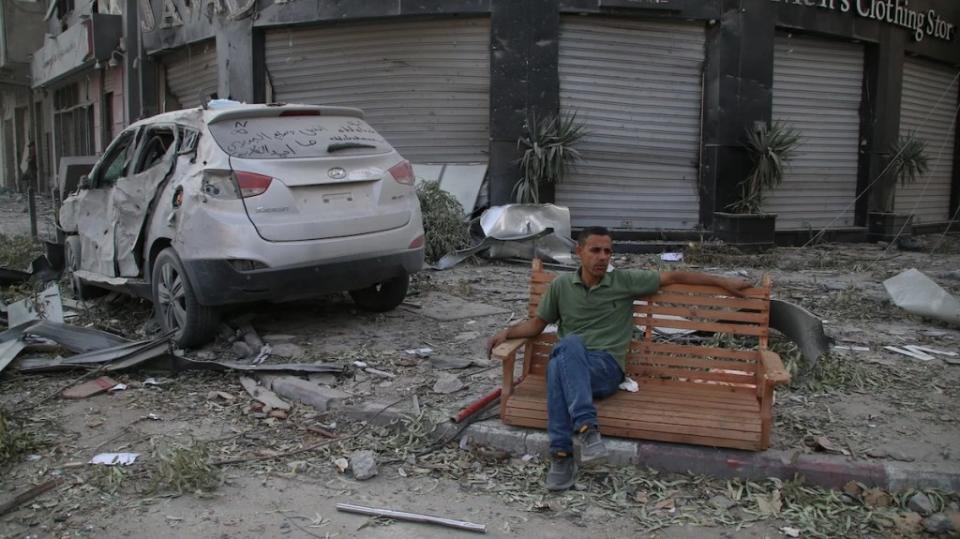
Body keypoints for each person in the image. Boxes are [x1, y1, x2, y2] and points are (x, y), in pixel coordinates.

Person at [486, 226, 752, 491]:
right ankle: (579, 439)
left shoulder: (624, 281)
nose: (603, 257)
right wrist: (506, 332)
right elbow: (535, 326)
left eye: (608, 251)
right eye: (595, 250)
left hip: (606, 370)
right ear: (579, 252)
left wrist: (723, 282)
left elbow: (673, 275)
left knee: (564, 354)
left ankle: (564, 454)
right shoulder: (561, 286)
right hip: (571, 366)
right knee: (563, 356)